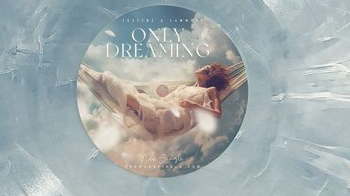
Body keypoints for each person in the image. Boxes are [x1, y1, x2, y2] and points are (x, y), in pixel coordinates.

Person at [79, 60, 235, 141]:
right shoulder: (184, 86)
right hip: (163, 108)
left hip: (172, 118)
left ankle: (85, 73)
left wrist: (193, 105)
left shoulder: (210, 91)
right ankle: (85, 74)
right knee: (124, 93)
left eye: (205, 68)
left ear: (209, 75)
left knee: (118, 89)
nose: (201, 67)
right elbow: (168, 99)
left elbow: (217, 113)